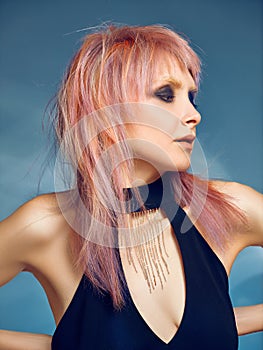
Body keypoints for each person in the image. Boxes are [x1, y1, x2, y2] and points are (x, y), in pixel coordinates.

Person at [0, 24, 262, 350]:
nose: (194, 114)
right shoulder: (46, 226)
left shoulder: (230, 208)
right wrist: (54, 345)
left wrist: (224, 322)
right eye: (165, 95)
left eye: (191, 97)